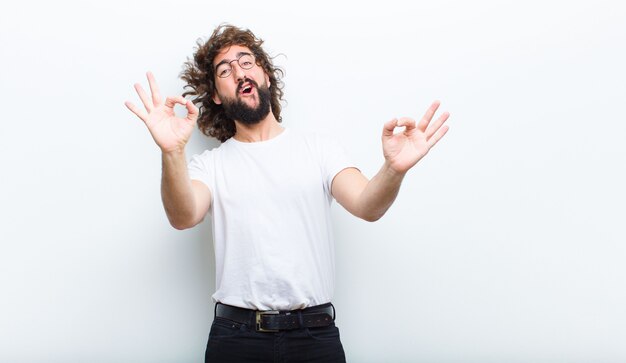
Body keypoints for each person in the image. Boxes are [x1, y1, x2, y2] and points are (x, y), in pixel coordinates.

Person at [125, 24, 450, 363]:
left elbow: (367, 205)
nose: (238, 72)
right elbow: (182, 215)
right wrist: (172, 152)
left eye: (246, 62)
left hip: (314, 336)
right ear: (217, 95)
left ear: (264, 74)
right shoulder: (212, 166)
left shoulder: (319, 149)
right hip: (236, 340)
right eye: (225, 70)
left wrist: (394, 169)